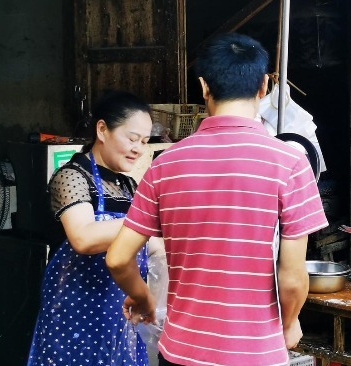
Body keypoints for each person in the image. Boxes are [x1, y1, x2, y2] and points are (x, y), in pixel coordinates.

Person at [106, 32, 329, 366]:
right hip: (256, 355)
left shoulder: (164, 163)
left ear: (204, 87)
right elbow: (293, 277)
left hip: (181, 352)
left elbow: (118, 258)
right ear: (264, 87)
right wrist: (288, 323)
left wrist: (143, 299)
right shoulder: (290, 164)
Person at [28, 90, 162, 366]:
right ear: (102, 130)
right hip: (74, 316)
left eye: (145, 142)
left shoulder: (128, 186)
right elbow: (84, 237)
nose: (138, 148)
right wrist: (150, 219)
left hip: (120, 314)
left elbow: (149, 243)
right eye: (132, 138)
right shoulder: (72, 177)